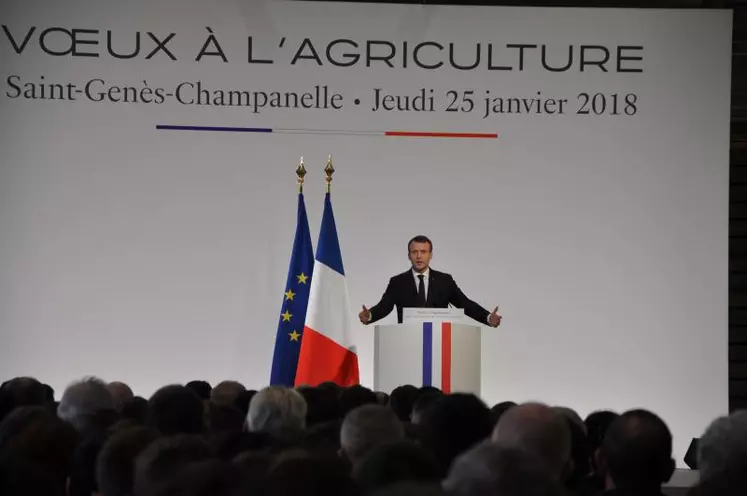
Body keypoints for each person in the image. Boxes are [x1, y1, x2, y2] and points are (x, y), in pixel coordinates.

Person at [359, 235, 502, 326]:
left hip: (439, 343)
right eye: (414, 252)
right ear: (409, 255)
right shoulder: (397, 282)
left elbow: (464, 303)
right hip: (407, 342)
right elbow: (384, 307)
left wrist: (488, 317)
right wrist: (369, 315)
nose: (419, 256)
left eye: (423, 252)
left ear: (430, 255)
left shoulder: (445, 280)